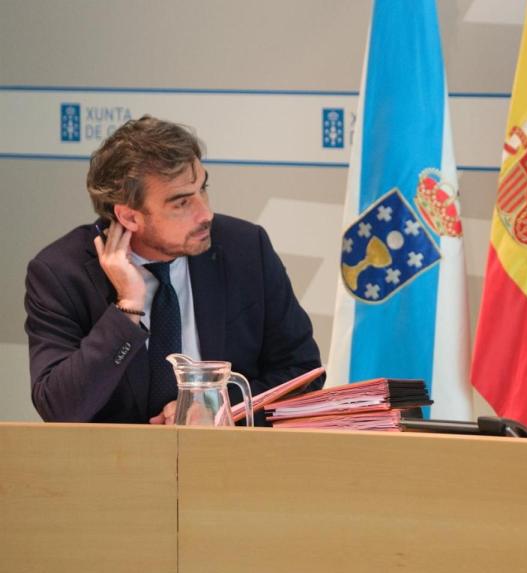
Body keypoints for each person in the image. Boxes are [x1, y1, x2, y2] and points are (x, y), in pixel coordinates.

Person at [25, 115, 324, 424]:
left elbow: (303, 375)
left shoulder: (245, 249)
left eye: (202, 189)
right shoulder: (61, 273)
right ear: (129, 217)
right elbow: (60, 409)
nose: (205, 213)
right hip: (115, 465)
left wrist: (218, 408)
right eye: (181, 203)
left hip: (228, 461)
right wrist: (126, 309)